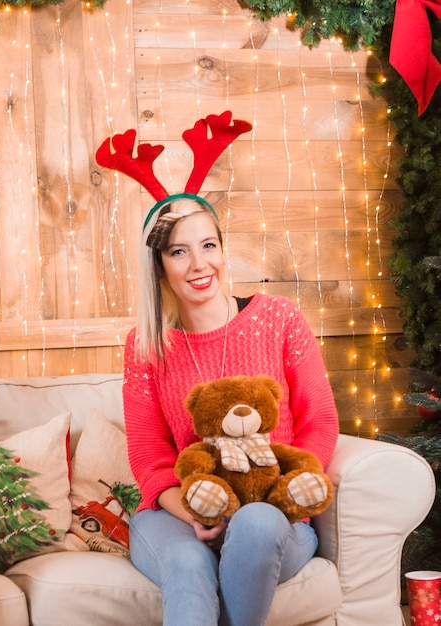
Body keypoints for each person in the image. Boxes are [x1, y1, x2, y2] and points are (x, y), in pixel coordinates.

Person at [122, 195, 339, 626]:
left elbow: (320, 422)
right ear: (159, 265)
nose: (199, 264)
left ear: (222, 250)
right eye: (179, 252)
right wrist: (198, 514)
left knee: (257, 522)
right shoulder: (145, 347)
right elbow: (151, 461)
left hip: (273, 513)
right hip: (181, 514)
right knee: (186, 562)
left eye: (208, 245)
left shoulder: (278, 319)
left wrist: (281, 496)